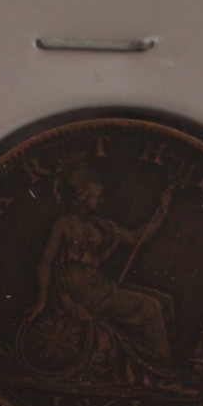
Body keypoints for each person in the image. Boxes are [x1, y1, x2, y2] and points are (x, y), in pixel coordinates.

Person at [24, 162, 175, 386]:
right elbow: (45, 263)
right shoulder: (63, 225)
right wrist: (42, 301)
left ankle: (148, 369)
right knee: (151, 307)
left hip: (99, 289)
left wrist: (162, 210)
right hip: (83, 294)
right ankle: (162, 374)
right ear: (84, 193)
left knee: (165, 300)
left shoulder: (101, 225)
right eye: (98, 191)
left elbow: (137, 237)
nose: (102, 196)